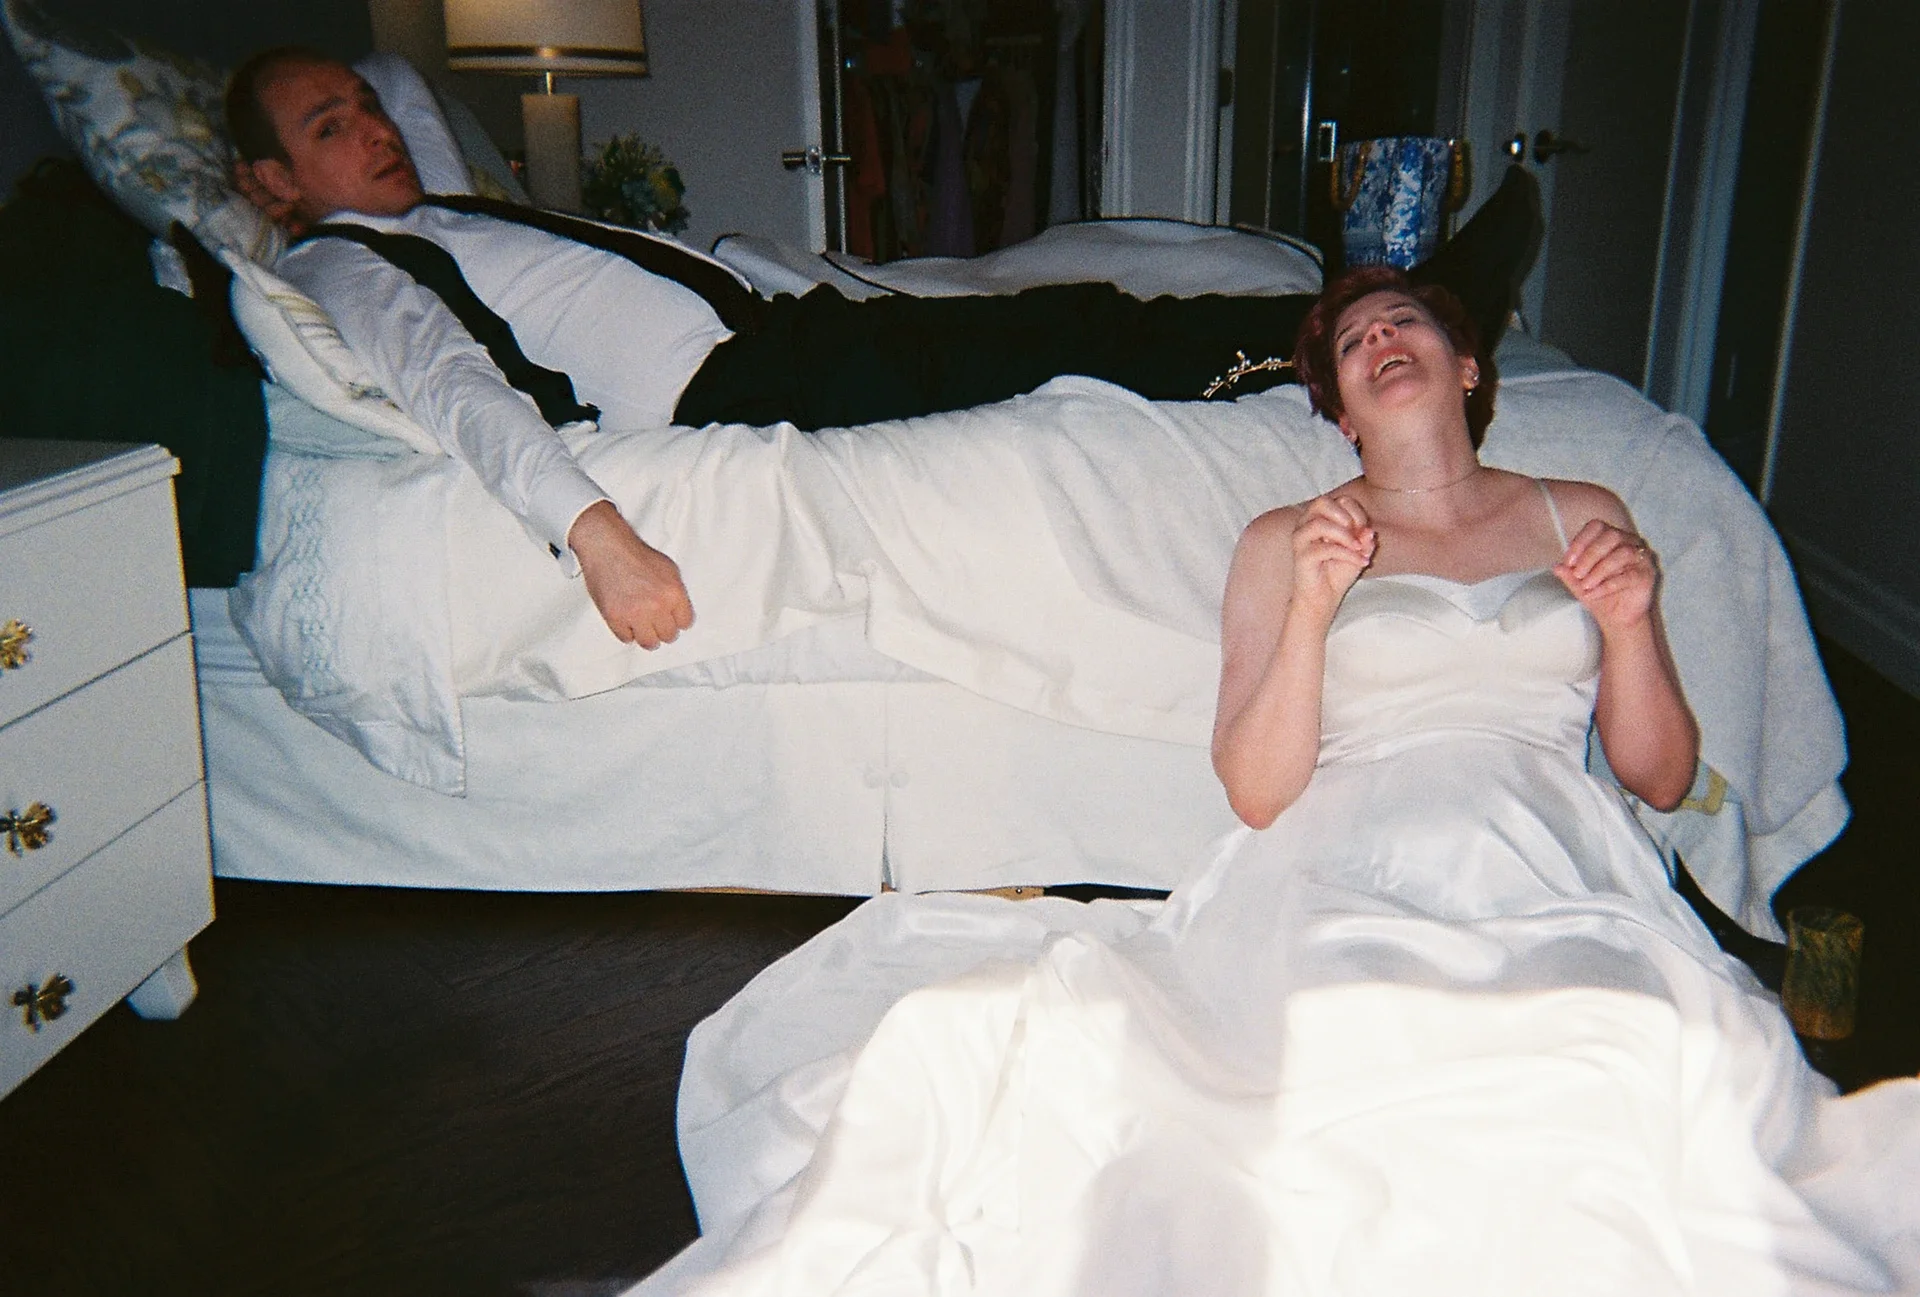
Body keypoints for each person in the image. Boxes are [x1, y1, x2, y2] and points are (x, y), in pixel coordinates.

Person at [620, 269, 1920, 1295]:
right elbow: (1255, 785)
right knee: (1337, 1069)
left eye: (1404, 324)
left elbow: (1662, 770)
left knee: (1639, 1056)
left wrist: (1632, 625)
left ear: (1470, 371)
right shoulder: (1286, 538)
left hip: (1559, 853)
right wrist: (1307, 609)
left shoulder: (1582, 504)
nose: (1379, 345)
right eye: (1352, 347)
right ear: (1338, 407)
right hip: (1346, 851)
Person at [222, 48, 1541, 655]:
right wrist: (598, 534)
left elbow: (420, 103)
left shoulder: (436, 209)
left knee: (1067, 317)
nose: (375, 131)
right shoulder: (343, 261)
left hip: (784, 332)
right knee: (1075, 344)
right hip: (741, 386)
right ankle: (1390, 332)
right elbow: (458, 393)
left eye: (367, 108)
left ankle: (1389, 317)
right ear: (273, 182)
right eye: (330, 126)